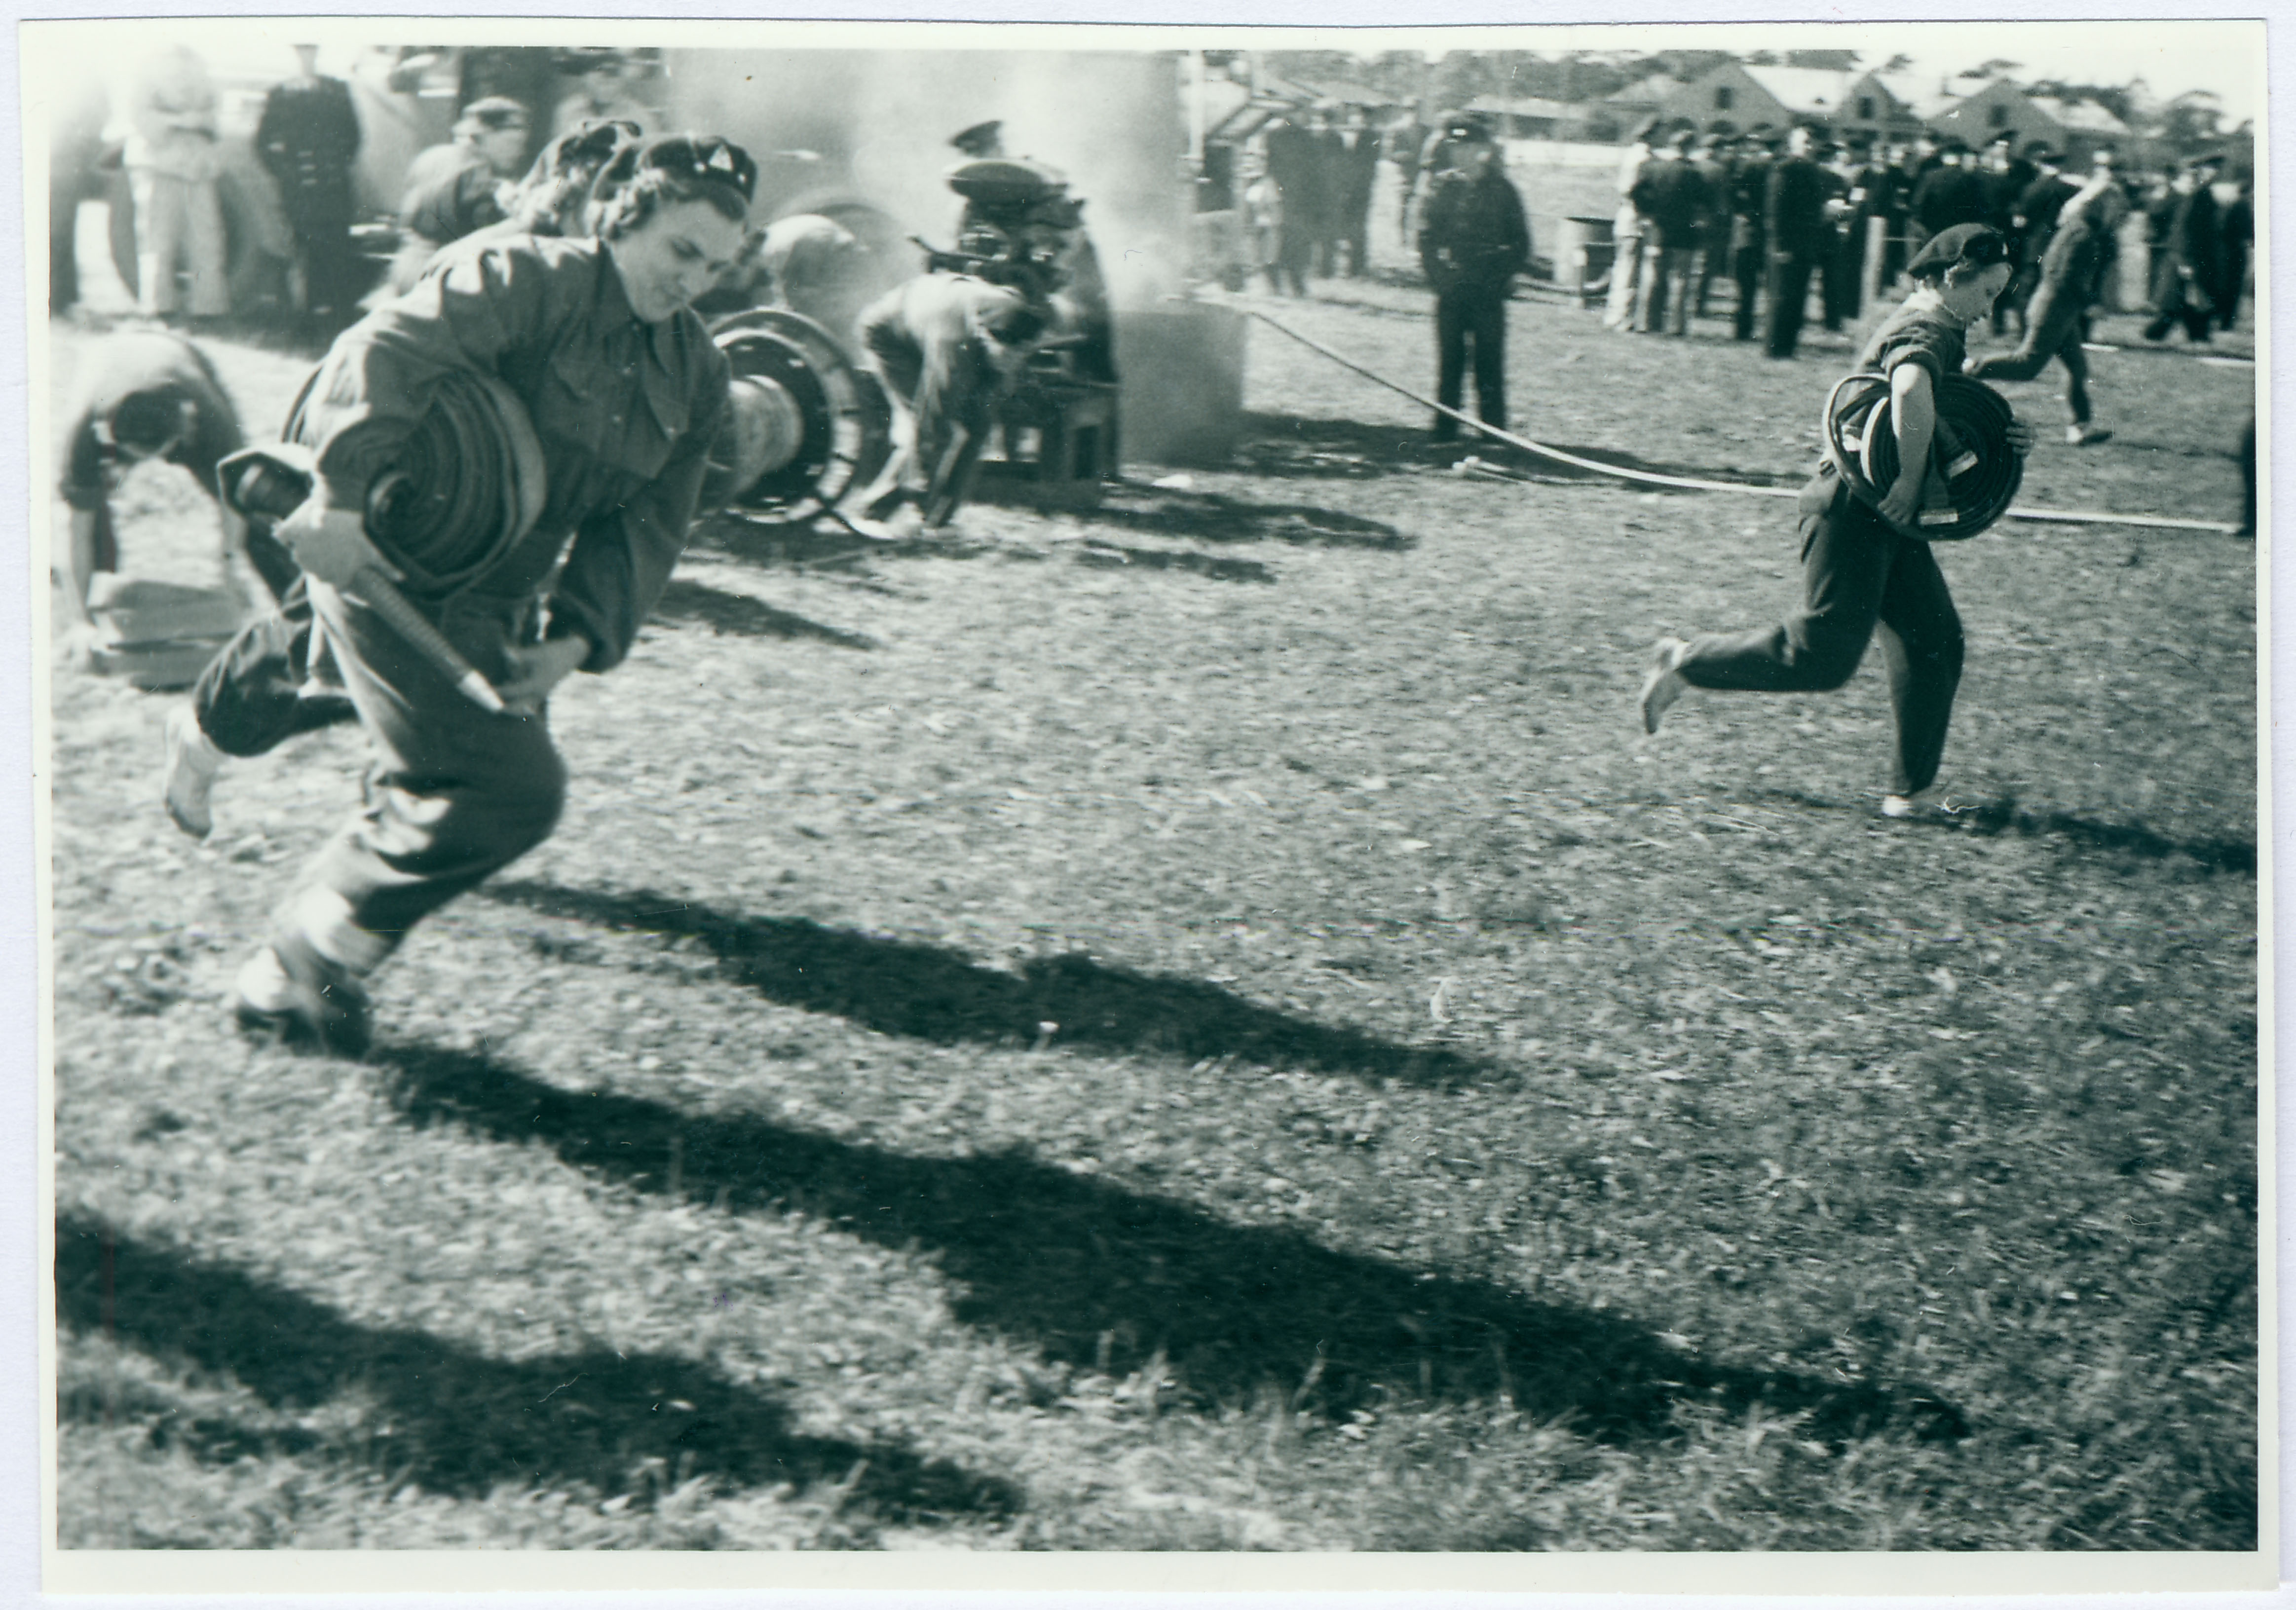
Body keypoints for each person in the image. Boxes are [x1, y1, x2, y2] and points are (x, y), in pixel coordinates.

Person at [208, 133, 753, 1053]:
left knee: (431, 779)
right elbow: (384, 348)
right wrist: (337, 493)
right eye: (681, 251)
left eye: (717, 266)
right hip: (388, 556)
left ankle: (276, 988)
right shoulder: (522, 278)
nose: (693, 281)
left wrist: (577, 638)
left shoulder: (697, 374)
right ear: (625, 219)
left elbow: (650, 523)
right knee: (512, 788)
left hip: (504, 596)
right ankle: (314, 946)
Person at [1639, 224, 2034, 819]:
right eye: (1987, 292)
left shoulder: (1938, 322)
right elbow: (1909, 389)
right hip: (1852, 511)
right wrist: (1908, 480)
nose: (1991, 308)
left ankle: (1911, 793)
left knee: (1934, 640)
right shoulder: (1924, 328)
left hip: (1881, 513)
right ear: (1955, 278)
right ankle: (1686, 661)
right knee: (1819, 657)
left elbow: (1944, 402)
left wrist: (2005, 435)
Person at [54, 330, 251, 669]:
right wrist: (81, 622)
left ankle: (299, 612)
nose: (148, 462)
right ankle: (96, 610)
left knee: (254, 498)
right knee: (94, 514)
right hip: (105, 361)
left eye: (157, 452)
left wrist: (230, 567)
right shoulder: (86, 429)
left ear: (186, 430)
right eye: (134, 455)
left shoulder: (210, 418)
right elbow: (77, 527)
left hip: (175, 352)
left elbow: (233, 501)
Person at [1969, 167, 2129, 446]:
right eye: (2117, 208)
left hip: (2057, 307)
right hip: (2055, 308)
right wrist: (2089, 303)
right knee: (2026, 365)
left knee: (2076, 368)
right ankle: (1966, 369)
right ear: (2103, 205)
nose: (2120, 216)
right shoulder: (2084, 235)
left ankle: (2079, 428)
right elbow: (2062, 275)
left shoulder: (2076, 226)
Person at [1417, 123, 1529, 443]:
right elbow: (1425, 240)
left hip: (1488, 288)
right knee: (1449, 362)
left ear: (1484, 151)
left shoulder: (1502, 190)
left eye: (1466, 147)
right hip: (1452, 286)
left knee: (1489, 363)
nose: (1459, 153)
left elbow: (1521, 244)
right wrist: (1440, 279)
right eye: (1454, 147)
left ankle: (1493, 432)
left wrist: (1498, 278)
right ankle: (1445, 430)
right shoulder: (1442, 187)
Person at [255, 45, 365, 330]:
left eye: (311, 51)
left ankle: (340, 315)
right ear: (295, 55)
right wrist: (284, 173)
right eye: (302, 52)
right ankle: (305, 318)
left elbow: (353, 135)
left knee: (337, 248)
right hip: (299, 187)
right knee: (303, 251)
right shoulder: (281, 93)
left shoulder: (337, 89)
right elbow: (262, 141)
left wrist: (338, 165)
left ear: (317, 54)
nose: (307, 57)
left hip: (333, 183)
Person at [118, 43, 229, 320]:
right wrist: (179, 120)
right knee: (158, 239)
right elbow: (140, 118)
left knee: (206, 240)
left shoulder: (204, 77)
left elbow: (217, 118)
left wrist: (200, 121)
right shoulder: (146, 75)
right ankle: (158, 307)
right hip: (160, 166)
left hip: (198, 166)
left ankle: (208, 307)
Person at [386, 96, 530, 294]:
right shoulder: (477, 173)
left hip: (405, 266)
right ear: (485, 135)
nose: (520, 152)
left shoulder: (431, 157)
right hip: (444, 276)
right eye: (514, 142)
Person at [1628, 128, 1707, 336]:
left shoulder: (1653, 168)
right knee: (1680, 281)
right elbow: (1704, 203)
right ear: (1690, 148)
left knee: (1652, 277)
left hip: (1658, 231)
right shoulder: (1694, 173)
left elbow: (1634, 192)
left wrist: (1645, 214)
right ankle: (1676, 326)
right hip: (1684, 234)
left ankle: (1646, 322)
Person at [1764, 123, 1830, 359]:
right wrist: (1780, 245)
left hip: (1806, 243)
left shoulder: (1813, 170)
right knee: (1782, 297)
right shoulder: (1786, 169)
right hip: (1787, 245)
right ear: (1794, 145)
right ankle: (1775, 348)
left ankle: (1788, 347)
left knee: (1799, 297)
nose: (1810, 147)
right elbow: (1776, 210)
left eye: (1813, 142)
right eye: (1805, 143)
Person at [2142, 159, 2220, 344]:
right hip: (2186, 256)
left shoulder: (2201, 194)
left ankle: (2197, 336)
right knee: (2180, 302)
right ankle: (2159, 334)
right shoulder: (2195, 197)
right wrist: (2185, 261)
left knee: (2186, 301)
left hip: (2193, 256)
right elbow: (2183, 230)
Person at [1604, 116, 1660, 331]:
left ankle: (1616, 315)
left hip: (1628, 216)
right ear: (1653, 134)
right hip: (1635, 218)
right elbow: (1630, 190)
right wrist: (1644, 214)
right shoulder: (1642, 158)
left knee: (1624, 269)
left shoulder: (1633, 154)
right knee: (1630, 271)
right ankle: (1623, 318)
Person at [1729, 127, 1774, 341]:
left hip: (1747, 231)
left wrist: (1744, 213)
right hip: (1769, 232)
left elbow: (1734, 194)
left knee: (1746, 287)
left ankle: (1742, 330)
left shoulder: (1747, 166)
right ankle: (1770, 330)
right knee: (1771, 286)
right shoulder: (1776, 168)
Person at [549, 51, 653, 144]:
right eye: (596, 71)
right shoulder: (568, 112)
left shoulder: (639, 116)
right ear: (585, 78)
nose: (606, 82)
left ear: (623, 80)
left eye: (613, 75)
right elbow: (557, 154)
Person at [1331, 105, 1383, 278]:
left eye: (1361, 117)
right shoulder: (1361, 136)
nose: (1359, 121)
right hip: (1354, 186)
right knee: (1352, 227)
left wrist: (1349, 186)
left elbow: (1363, 165)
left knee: (1356, 227)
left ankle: (1356, 267)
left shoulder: (1370, 136)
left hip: (1359, 188)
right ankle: (1353, 266)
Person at [2218, 173, 2252, 333]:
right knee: (2235, 286)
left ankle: (2225, 319)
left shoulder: (2233, 204)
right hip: (2238, 250)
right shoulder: (2243, 206)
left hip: (2228, 250)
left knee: (2229, 285)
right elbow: (2247, 230)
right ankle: (2227, 321)